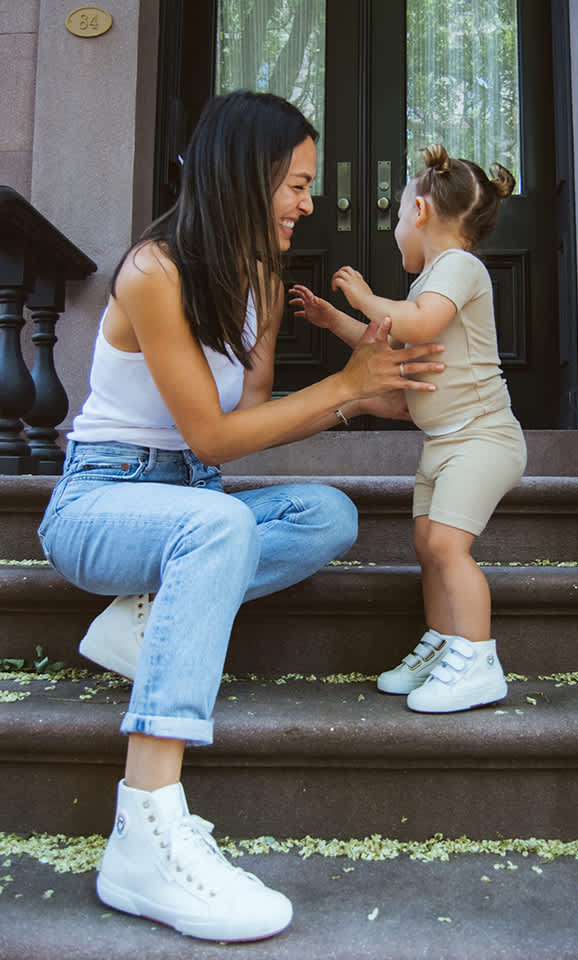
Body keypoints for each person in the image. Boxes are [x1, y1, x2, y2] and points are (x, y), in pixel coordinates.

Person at [36, 91, 445, 943]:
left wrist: (359, 396)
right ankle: (145, 827)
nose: (308, 202)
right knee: (218, 526)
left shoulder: (257, 278)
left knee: (325, 514)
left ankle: (145, 622)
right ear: (245, 176)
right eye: (295, 184)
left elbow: (242, 428)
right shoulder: (154, 271)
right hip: (103, 501)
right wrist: (342, 391)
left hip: (190, 498)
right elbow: (211, 435)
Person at [290, 144, 526, 715]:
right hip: (444, 443)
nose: (397, 227)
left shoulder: (460, 269)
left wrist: (365, 295)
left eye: (397, 215)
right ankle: (444, 646)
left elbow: (414, 323)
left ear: (420, 212)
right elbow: (387, 347)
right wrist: (335, 319)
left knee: (448, 544)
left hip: (483, 436)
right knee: (426, 545)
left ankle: (479, 659)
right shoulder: (429, 286)